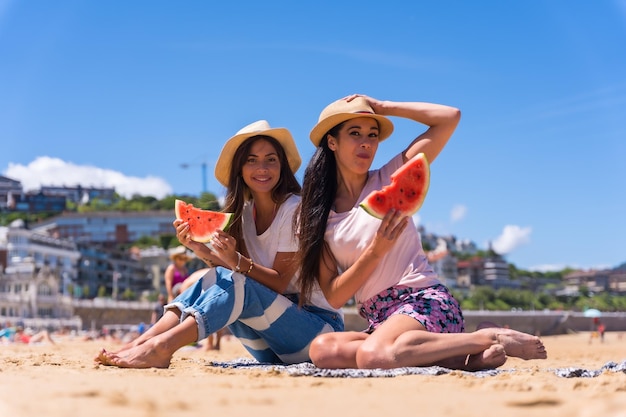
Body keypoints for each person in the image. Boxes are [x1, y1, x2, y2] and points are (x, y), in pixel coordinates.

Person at [296, 94, 548, 370]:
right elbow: (334, 296)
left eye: (373, 134)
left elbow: (449, 118)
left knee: (372, 356)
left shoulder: (392, 174)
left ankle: (488, 336)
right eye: (354, 133)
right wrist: (375, 251)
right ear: (332, 142)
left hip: (424, 301)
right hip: (382, 319)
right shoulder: (319, 216)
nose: (366, 142)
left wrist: (384, 108)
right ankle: (462, 356)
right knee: (323, 350)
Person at [95, 120, 343, 368]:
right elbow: (241, 274)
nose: (262, 168)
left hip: (317, 333)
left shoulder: (294, 209)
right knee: (218, 274)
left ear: (282, 167)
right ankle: (144, 341)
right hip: (273, 346)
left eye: (271, 160)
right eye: (252, 160)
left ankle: (162, 347)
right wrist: (200, 249)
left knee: (235, 280)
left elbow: (277, 282)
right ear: (240, 169)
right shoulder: (245, 214)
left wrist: (234, 260)